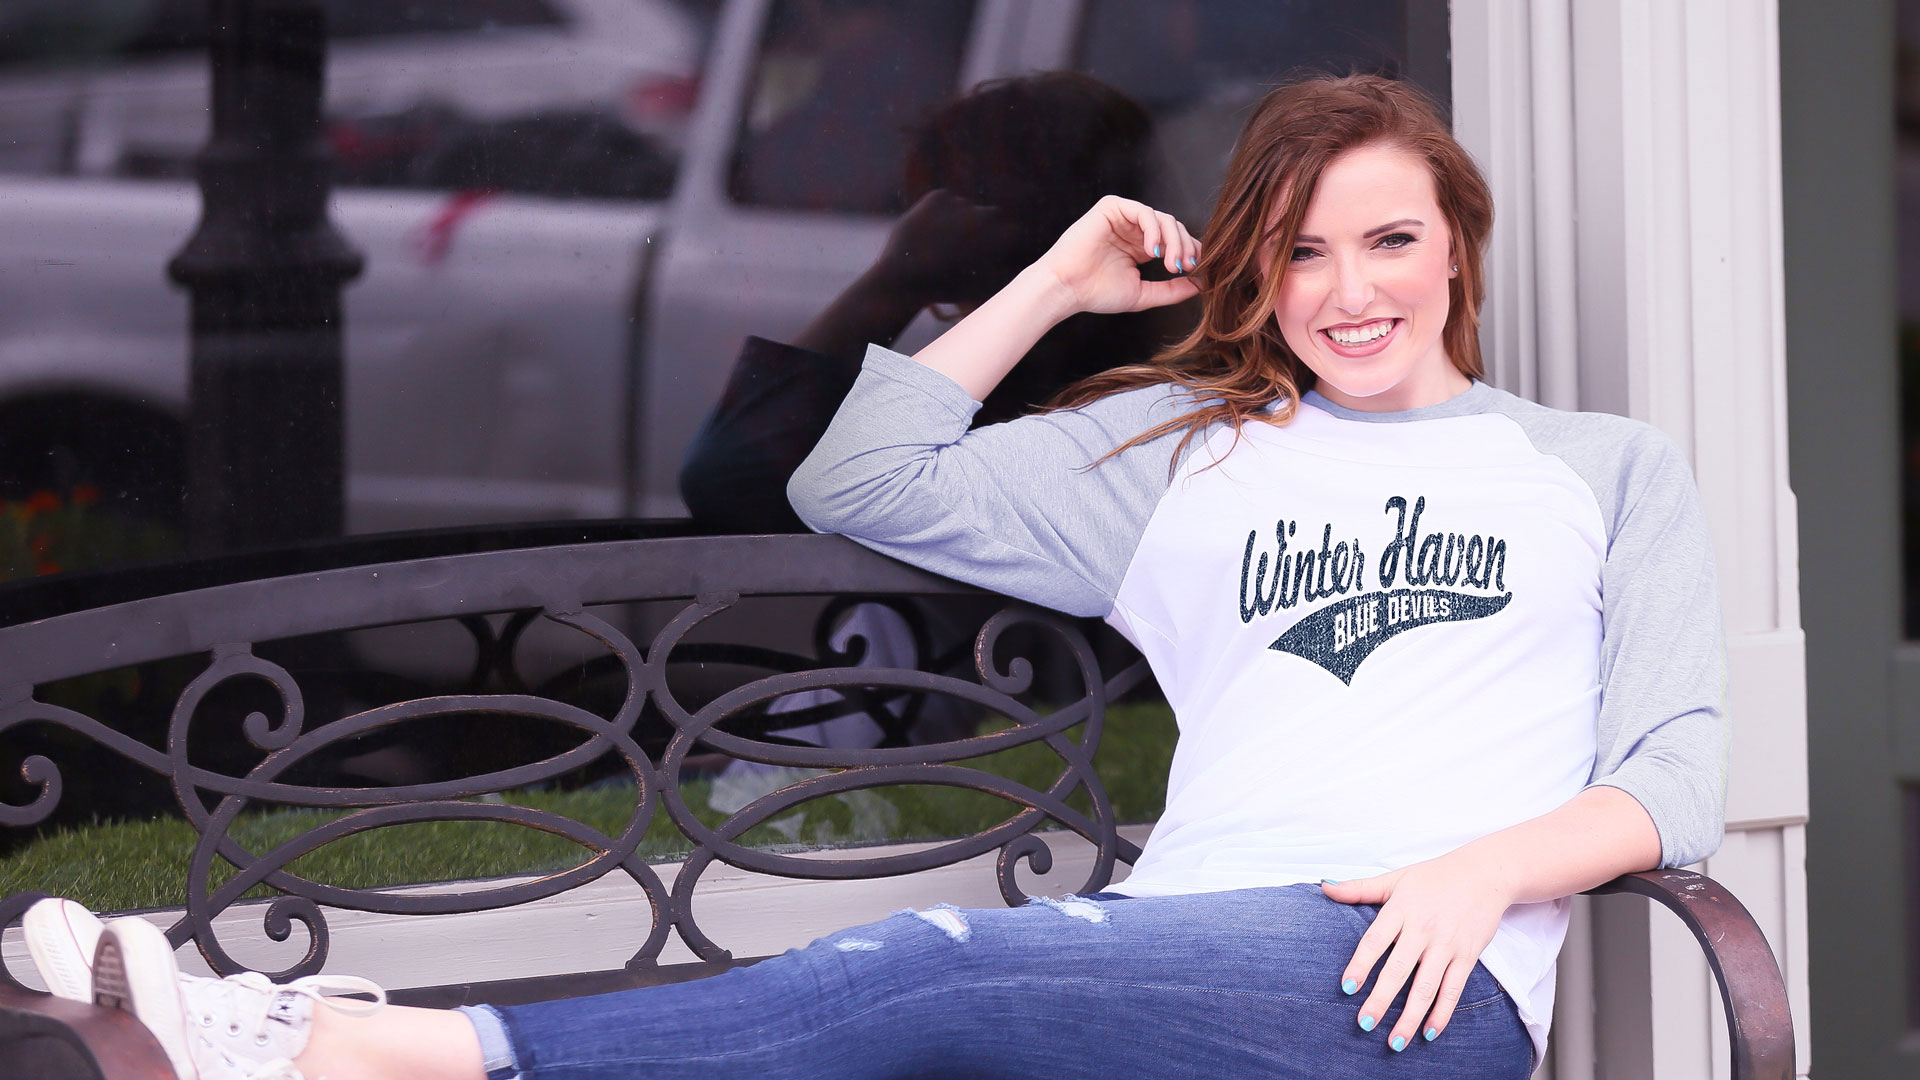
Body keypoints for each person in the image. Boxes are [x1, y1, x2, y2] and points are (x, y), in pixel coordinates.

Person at [22, 72, 1726, 1080]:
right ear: (1259, 276)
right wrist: (1052, 284)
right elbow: (858, 475)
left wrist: (1473, 876)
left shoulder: (1599, 470)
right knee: (928, 1007)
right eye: (1303, 253)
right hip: (1160, 956)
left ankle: (363, 1050)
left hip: (1410, 986)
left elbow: (1674, 780)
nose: (1351, 293)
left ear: (1457, 245)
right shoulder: (1184, 454)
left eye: (1392, 240)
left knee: (930, 971)